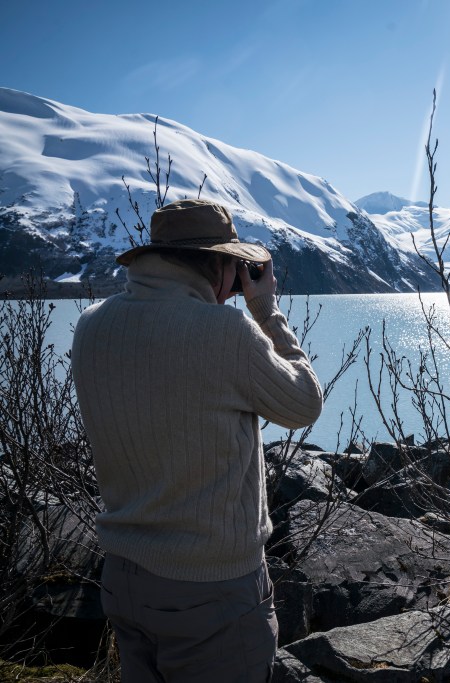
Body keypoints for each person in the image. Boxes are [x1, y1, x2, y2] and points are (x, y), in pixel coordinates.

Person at [71, 198, 323, 682]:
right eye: (233, 264)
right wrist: (266, 311)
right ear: (218, 262)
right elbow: (303, 404)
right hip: (211, 590)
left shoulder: (91, 324)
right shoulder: (225, 331)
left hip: (124, 576)